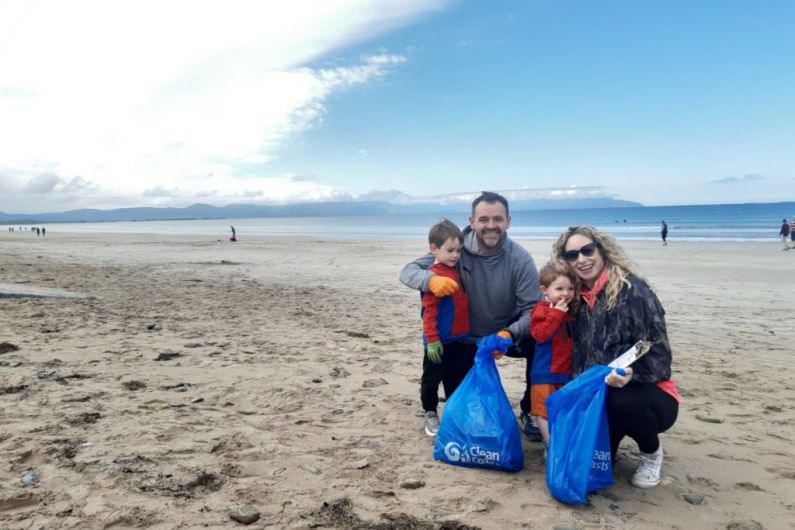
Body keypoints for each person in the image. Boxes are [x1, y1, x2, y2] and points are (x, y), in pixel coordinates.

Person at [400, 191, 543, 440]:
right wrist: (431, 281)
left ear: (508, 221)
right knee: (462, 399)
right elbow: (408, 271)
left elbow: (533, 310)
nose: (491, 226)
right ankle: (434, 410)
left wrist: (509, 333)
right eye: (484, 219)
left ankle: (530, 410)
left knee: (542, 339)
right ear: (472, 221)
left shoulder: (520, 259)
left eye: (497, 219)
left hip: (504, 334)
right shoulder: (456, 247)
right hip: (463, 338)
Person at [552, 226, 679, 488]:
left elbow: (659, 352)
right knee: (583, 469)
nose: (582, 260)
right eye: (572, 255)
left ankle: (651, 453)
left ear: (601, 250)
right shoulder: (572, 299)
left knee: (622, 401)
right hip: (597, 399)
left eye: (587, 250)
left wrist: (634, 374)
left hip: (646, 394)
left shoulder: (633, 290)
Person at [418, 220, 470, 436]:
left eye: (458, 250)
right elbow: (428, 312)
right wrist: (431, 339)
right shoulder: (434, 277)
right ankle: (430, 412)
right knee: (432, 378)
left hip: (459, 339)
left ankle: (452, 412)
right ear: (434, 249)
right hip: (438, 341)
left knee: (455, 378)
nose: (455, 255)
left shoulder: (455, 271)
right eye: (450, 250)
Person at [529, 261, 576, 450]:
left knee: (563, 410)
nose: (566, 294)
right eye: (559, 289)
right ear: (545, 290)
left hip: (565, 373)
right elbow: (540, 334)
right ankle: (552, 447)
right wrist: (555, 314)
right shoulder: (541, 309)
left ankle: (560, 443)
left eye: (570, 288)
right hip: (544, 373)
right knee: (543, 412)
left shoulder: (570, 311)